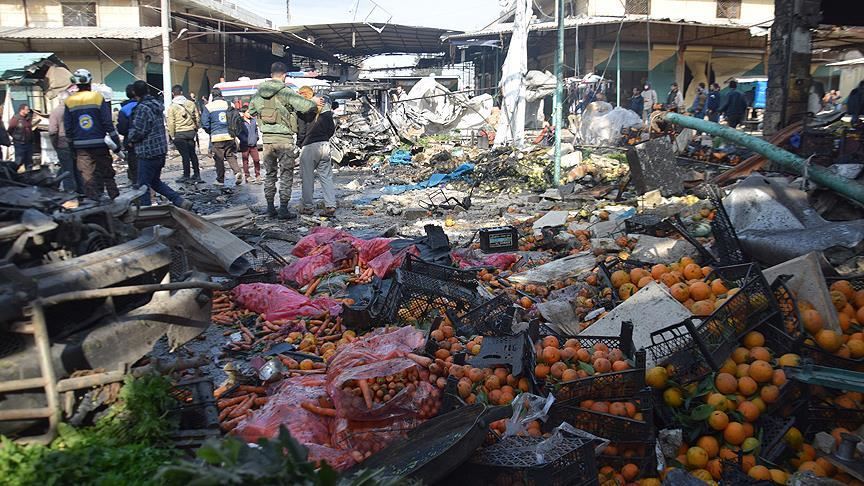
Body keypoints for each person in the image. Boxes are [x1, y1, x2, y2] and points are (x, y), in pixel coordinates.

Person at [248, 62, 319, 219]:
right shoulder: (286, 92)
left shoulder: (259, 93)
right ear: (284, 75)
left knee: (270, 174)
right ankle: (283, 209)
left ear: (271, 74)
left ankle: (269, 207)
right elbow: (306, 106)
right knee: (286, 174)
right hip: (284, 139)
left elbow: (251, 111)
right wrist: (314, 102)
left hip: (267, 140)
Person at [126, 81, 192, 209]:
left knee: (143, 186)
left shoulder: (142, 108)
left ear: (134, 93)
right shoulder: (156, 105)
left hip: (147, 152)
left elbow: (139, 131)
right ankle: (179, 201)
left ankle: (146, 212)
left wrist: (129, 138)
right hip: (160, 150)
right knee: (154, 181)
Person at [64, 68, 121, 201]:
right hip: (99, 144)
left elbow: (68, 127)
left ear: (76, 84)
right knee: (106, 171)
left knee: (87, 177)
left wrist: (71, 146)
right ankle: (114, 197)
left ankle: (93, 201)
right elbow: (107, 122)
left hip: (80, 147)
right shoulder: (97, 98)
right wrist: (116, 141)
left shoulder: (69, 101)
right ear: (89, 82)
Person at [297, 93, 338, 217]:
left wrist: (300, 143)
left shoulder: (304, 112)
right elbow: (331, 130)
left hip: (309, 146)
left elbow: (301, 131)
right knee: (326, 177)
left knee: (307, 178)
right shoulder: (327, 114)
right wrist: (324, 138)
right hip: (324, 145)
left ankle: (308, 207)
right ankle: (330, 205)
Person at [201, 88, 244, 186]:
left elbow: (205, 123)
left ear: (213, 96)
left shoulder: (209, 107)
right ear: (221, 94)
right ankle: (237, 172)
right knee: (230, 155)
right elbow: (236, 119)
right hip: (230, 135)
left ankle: (220, 180)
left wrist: (210, 131)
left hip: (217, 136)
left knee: (219, 158)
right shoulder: (230, 104)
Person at [48, 93, 83, 194]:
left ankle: (70, 191)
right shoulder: (75, 111)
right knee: (76, 168)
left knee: (67, 169)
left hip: (63, 144)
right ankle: (81, 190)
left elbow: (53, 131)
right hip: (76, 144)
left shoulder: (55, 112)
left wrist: (55, 144)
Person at [167, 85, 201, 183]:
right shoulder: (191, 103)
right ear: (181, 92)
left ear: (173, 93)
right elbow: (197, 117)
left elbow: (171, 123)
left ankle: (186, 175)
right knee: (192, 154)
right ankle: (197, 174)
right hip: (191, 132)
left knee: (185, 155)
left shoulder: (172, 107)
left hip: (179, 133)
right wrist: (196, 128)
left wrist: (172, 135)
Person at [116, 84, 139, 186]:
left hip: (131, 142)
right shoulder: (144, 106)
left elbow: (122, 129)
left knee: (133, 162)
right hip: (146, 142)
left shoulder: (124, 109)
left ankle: (135, 182)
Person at [8, 103, 37, 170]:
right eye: (27, 109)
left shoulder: (28, 118)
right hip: (20, 143)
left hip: (28, 143)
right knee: (19, 161)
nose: (28, 111)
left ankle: (29, 174)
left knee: (29, 162)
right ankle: (12, 173)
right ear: (22, 110)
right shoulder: (16, 119)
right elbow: (10, 130)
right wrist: (17, 137)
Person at [240, 104, 261, 184]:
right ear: (244, 113)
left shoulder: (253, 120)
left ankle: (258, 175)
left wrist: (256, 137)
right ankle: (247, 176)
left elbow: (256, 130)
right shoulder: (240, 121)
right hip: (245, 145)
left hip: (253, 144)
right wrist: (244, 139)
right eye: (248, 112)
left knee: (256, 160)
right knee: (245, 161)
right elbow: (239, 132)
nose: (250, 114)